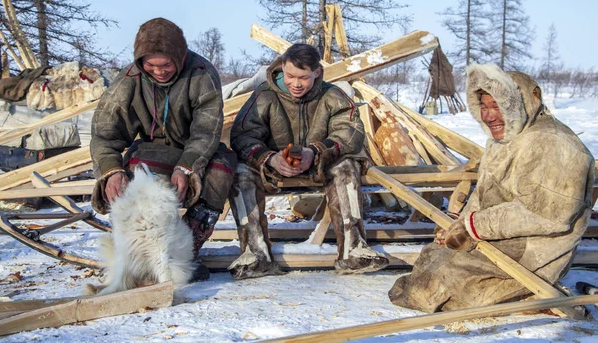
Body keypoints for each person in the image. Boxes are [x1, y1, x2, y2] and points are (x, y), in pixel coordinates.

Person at [388, 63, 595, 312]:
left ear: (521, 104)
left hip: (533, 249)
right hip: (499, 236)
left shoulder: (553, 144)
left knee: (438, 283)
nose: (489, 116)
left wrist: (473, 227)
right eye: (484, 106)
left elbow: (546, 216)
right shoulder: (505, 139)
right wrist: (460, 224)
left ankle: (534, 296)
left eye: (497, 106)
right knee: (433, 258)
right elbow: (485, 193)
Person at [90, 18, 237, 280]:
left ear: (179, 58)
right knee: (132, 178)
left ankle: (185, 252)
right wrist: (111, 170)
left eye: (166, 64)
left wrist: (187, 166)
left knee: (221, 171)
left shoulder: (202, 73)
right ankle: (135, 257)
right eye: (151, 65)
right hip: (151, 149)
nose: (159, 71)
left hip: (198, 149)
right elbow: (105, 133)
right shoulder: (129, 80)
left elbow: (206, 129)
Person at [227, 43, 389, 279]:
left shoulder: (333, 95)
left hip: (321, 166)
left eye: (303, 77)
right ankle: (255, 254)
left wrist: (315, 152)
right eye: (290, 75)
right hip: (273, 169)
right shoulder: (264, 95)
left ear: (317, 73)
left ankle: (353, 249)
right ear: (282, 68)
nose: (295, 83)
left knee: (347, 166)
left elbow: (350, 132)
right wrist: (269, 158)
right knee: (240, 171)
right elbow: (242, 135)